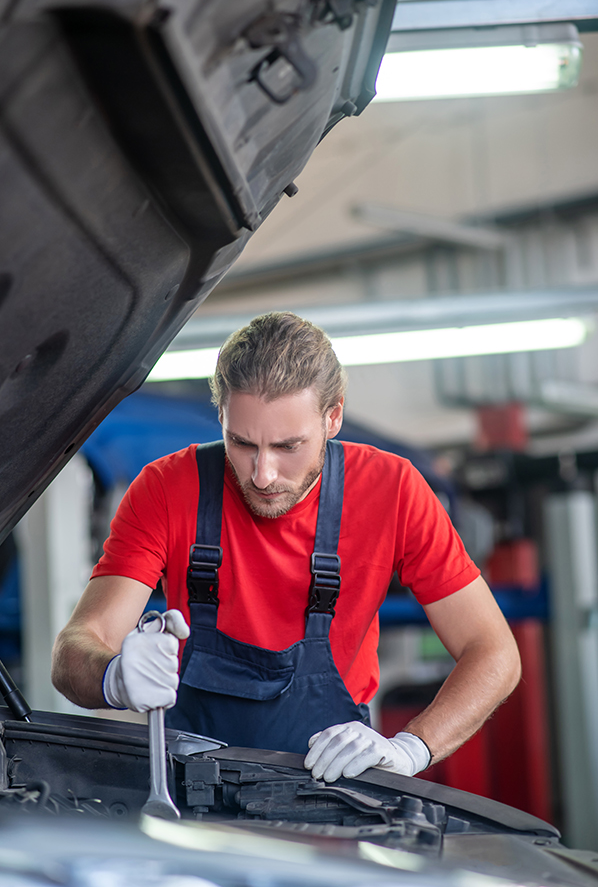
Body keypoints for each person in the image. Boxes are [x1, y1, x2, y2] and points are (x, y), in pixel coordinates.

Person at [51, 312, 521, 783]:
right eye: (241, 443)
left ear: (333, 416)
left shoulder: (392, 490)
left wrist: (413, 748)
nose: (262, 474)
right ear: (221, 416)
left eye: (287, 446)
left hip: (335, 792)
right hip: (190, 798)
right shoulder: (166, 488)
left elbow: (494, 652)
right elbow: (74, 650)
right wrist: (112, 676)